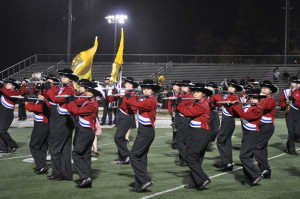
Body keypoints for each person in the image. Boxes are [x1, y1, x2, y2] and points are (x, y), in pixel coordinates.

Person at [176, 82, 213, 191]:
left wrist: (179, 104)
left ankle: (202, 178)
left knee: (190, 157)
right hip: (198, 132)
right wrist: (183, 101)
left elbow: (188, 113)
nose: (195, 94)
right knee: (197, 158)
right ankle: (195, 182)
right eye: (194, 92)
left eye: (198, 92)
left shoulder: (201, 104)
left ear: (203, 94)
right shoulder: (198, 101)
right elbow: (188, 107)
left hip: (200, 132)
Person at [126, 79, 160, 192]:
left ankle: (145, 180)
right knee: (141, 158)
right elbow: (133, 107)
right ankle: (139, 185)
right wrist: (132, 97)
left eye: (148, 89)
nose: (145, 90)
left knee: (133, 156)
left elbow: (133, 103)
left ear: (152, 91)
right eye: (144, 88)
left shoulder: (151, 101)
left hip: (147, 131)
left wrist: (129, 96)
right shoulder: (145, 100)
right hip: (143, 131)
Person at [44, 68, 78, 181]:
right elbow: (54, 94)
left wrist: (49, 88)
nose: (62, 78)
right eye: (62, 76)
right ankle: (66, 174)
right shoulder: (64, 87)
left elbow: (55, 99)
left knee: (54, 147)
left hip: (64, 119)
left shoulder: (69, 89)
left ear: (70, 79)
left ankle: (57, 174)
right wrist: (48, 87)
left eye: (65, 76)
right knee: (65, 149)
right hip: (65, 119)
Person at [65, 80, 101, 188]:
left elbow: (76, 111)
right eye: (87, 91)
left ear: (93, 93)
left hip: (86, 131)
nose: (86, 93)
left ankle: (85, 177)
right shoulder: (88, 100)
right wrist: (71, 99)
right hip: (86, 131)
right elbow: (77, 104)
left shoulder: (91, 104)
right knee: (85, 154)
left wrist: (70, 101)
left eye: (89, 91)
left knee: (76, 154)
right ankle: (86, 177)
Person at [229, 88, 266, 186]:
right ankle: (250, 179)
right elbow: (236, 114)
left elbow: (246, 116)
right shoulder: (248, 106)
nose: (253, 100)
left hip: (252, 133)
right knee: (248, 156)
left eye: (256, 98)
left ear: (259, 99)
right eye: (252, 98)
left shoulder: (258, 108)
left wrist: (237, 105)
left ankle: (256, 175)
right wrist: (229, 105)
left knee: (244, 156)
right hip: (246, 133)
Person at [109, 77, 139, 164]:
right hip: (120, 116)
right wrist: (113, 92)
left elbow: (134, 108)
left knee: (117, 138)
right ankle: (123, 158)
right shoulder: (123, 92)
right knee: (120, 138)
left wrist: (125, 97)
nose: (128, 85)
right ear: (124, 84)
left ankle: (127, 155)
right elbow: (110, 99)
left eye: (130, 84)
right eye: (127, 83)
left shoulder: (133, 94)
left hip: (127, 117)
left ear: (132, 85)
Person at [215, 79, 242, 171]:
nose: (230, 88)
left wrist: (216, 94)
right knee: (226, 142)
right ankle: (228, 163)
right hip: (226, 120)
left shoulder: (234, 97)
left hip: (229, 120)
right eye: (229, 87)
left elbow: (221, 101)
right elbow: (219, 104)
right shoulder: (227, 95)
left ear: (235, 89)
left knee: (221, 141)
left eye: (232, 87)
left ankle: (227, 162)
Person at [254, 80, 277, 179]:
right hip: (261, 125)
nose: (263, 89)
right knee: (262, 149)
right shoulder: (260, 98)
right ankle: (265, 171)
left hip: (267, 126)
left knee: (256, 148)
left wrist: (254, 101)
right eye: (262, 87)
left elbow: (262, 107)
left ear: (270, 91)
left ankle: (265, 168)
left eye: (266, 88)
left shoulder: (271, 100)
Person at [25, 94, 51, 175]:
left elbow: (32, 108)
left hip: (42, 125)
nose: (39, 96)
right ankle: (43, 165)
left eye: (41, 95)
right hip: (41, 125)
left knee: (34, 145)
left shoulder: (45, 103)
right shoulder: (40, 101)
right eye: (39, 94)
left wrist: (26, 102)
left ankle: (41, 165)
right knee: (42, 146)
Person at [174, 80, 194, 166]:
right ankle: (182, 160)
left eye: (184, 86)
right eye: (182, 86)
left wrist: (179, 102)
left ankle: (186, 159)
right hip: (181, 118)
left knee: (180, 140)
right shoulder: (182, 95)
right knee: (182, 140)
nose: (182, 88)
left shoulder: (191, 96)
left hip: (186, 118)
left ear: (188, 87)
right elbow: (176, 106)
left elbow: (181, 105)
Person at [0, 78, 21, 153]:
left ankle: (13, 144)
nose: (7, 84)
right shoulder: (3, 91)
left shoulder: (15, 93)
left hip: (7, 115)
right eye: (7, 83)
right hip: (1, 113)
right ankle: (3, 148)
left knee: (2, 131)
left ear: (14, 86)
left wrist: (2, 86)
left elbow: (9, 94)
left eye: (9, 84)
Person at [280, 77, 300, 154]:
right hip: (289, 113)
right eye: (293, 82)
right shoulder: (286, 91)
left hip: (298, 112)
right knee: (291, 131)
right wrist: (284, 106)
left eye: (296, 83)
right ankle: (291, 149)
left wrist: (295, 101)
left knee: (298, 132)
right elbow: (282, 100)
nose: (294, 84)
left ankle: (289, 143)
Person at [205, 82, 220, 152]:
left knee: (216, 130)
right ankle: (207, 144)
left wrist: (215, 95)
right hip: (207, 113)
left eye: (212, 87)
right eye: (209, 86)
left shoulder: (216, 95)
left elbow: (219, 103)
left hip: (215, 112)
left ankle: (209, 141)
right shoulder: (204, 94)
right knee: (208, 130)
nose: (210, 88)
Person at [166, 80, 182, 149]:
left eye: (175, 85)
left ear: (179, 87)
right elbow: (169, 104)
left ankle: (181, 142)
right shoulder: (171, 93)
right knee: (175, 128)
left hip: (182, 112)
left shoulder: (182, 93)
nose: (174, 87)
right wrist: (171, 112)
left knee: (182, 128)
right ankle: (175, 143)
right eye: (173, 85)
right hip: (174, 113)